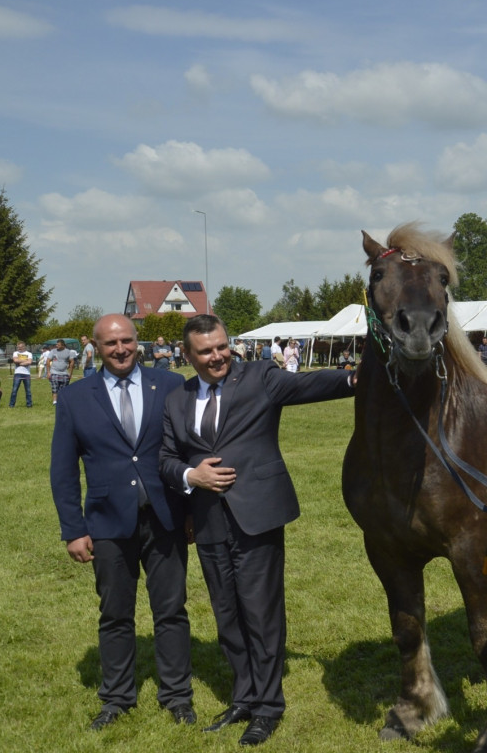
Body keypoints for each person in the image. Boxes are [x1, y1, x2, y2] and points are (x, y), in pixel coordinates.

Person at [159, 314, 355, 746]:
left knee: (261, 614)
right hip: (209, 520)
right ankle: (244, 696)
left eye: (222, 346)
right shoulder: (178, 398)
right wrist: (192, 476)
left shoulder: (259, 377)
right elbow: (167, 458)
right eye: (206, 351)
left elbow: (309, 386)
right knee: (227, 614)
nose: (217, 356)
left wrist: (355, 378)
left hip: (258, 515)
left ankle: (268, 708)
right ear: (188, 356)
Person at [49, 314, 192, 730]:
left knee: (171, 611)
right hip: (107, 524)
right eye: (110, 343)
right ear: (95, 346)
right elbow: (62, 470)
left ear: (137, 342)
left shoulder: (169, 386)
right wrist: (73, 529)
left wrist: (192, 513)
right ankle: (116, 699)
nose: (121, 349)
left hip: (165, 518)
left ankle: (177, 696)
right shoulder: (76, 398)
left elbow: (188, 451)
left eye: (127, 341)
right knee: (114, 614)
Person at [47, 338, 76, 405]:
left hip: (64, 373)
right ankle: (55, 401)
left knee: (63, 389)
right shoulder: (53, 351)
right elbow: (48, 360)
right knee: (54, 388)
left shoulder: (69, 352)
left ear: (63, 345)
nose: (57, 346)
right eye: (56, 344)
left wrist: (70, 373)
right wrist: (48, 372)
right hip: (54, 372)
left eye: (58, 345)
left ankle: (62, 401)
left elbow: (72, 362)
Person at [9, 341, 34, 407]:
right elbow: (15, 360)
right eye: (18, 347)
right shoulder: (15, 353)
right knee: (14, 390)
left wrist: (20, 362)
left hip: (26, 374)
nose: (19, 348)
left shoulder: (29, 353)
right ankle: (11, 405)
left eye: (20, 347)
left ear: (24, 346)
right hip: (17, 373)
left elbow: (30, 362)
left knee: (28, 390)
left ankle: (29, 404)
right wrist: (26, 360)